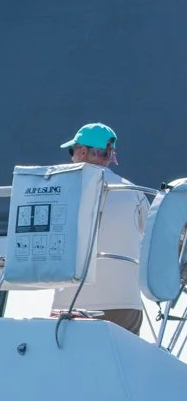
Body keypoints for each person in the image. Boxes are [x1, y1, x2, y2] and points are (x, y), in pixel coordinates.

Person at [52, 123, 148, 334]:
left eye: (72, 151)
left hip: (70, 303)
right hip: (125, 302)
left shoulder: (57, 189)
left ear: (83, 152)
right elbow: (148, 236)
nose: (71, 157)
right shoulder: (134, 192)